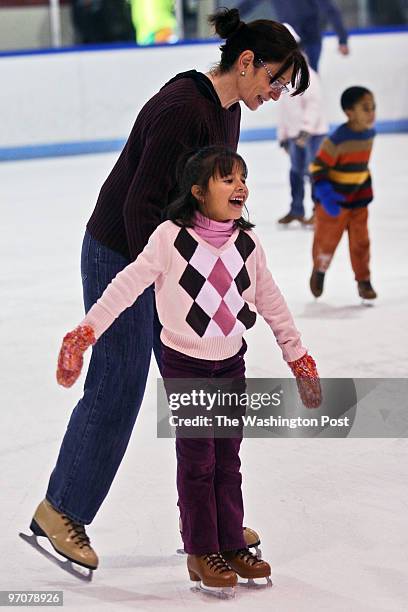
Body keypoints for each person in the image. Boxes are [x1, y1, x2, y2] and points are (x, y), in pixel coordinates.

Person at [30, 7, 310, 571]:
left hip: (174, 263)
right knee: (120, 383)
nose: (278, 93)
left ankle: (214, 525)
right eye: (275, 79)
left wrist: (218, 279)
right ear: (247, 62)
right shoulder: (186, 110)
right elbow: (139, 206)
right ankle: (60, 511)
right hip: (124, 252)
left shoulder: (225, 110)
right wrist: (167, 287)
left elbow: (202, 206)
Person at [54, 146, 321, 592]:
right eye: (227, 179)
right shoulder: (169, 238)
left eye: (242, 178)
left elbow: (271, 302)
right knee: (199, 459)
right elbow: (126, 286)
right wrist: (86, 332)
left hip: (231, 359)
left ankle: (231, 541)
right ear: (198, 192)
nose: (240, 186)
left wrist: (298, 356)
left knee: (229, 458)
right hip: (185, 362)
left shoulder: (248, 244)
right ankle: (201, 549)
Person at [309, 86, 377, 300]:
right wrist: (326, 196)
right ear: (349, 112)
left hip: (358, 201)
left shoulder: (369, 134)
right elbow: (317, 168)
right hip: (334, 202)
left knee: (361, 243)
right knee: (326, 242)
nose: (371, 113)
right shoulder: (336, 141)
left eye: (373, 107)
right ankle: (319, 270)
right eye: (365, 108)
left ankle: (364, 281)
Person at [276, 24, 328, 225]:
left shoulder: (308, 75)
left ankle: (319, 210)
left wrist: (305, 130)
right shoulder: (286, 76)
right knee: (296, 172)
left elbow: (313, 105)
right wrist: (283, 135)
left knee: (315, 172)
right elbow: (284, 110)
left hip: (312, 134)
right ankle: (296, 209)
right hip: (295, 135)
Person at [237, 0, 349, 71]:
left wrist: (342, 40)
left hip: (311, 38)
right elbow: (249, 4)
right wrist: (229, 17)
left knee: (309, 76)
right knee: (288, 77)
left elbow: (330, 11)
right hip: (288, 40)